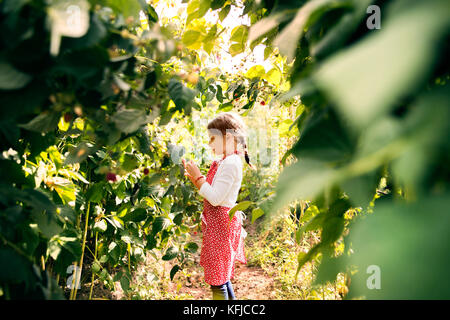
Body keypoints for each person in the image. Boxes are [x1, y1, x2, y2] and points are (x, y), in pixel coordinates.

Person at [182, 111, 256, 300]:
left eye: (212, 138)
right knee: (221, 278)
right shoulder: (224, 160)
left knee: (218, 282)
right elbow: (214, 189)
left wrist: (198, 178)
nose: (209, 143)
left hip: (221, 225)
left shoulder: (231, 163)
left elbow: (215, 198)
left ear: (228, 137)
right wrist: (195, 178)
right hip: (218, 224)